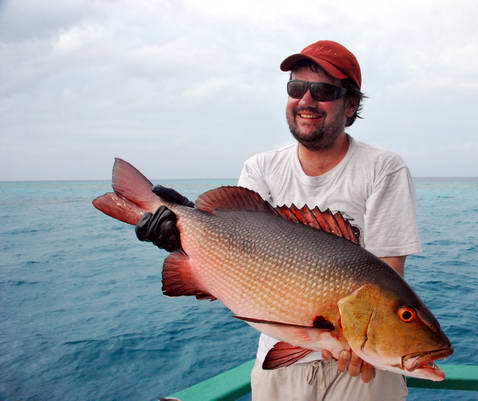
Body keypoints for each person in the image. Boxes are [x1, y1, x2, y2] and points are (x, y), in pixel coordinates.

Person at [136, 40, 421, 401]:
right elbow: (235, 246)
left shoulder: (383, 168)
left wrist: (371, 345)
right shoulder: (261, 167)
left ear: (351, 105)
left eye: (323, 91)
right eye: (296, 88)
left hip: (361, 369)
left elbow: (388, 274)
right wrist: (182, 229)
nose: (306, 100)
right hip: (280, 364)